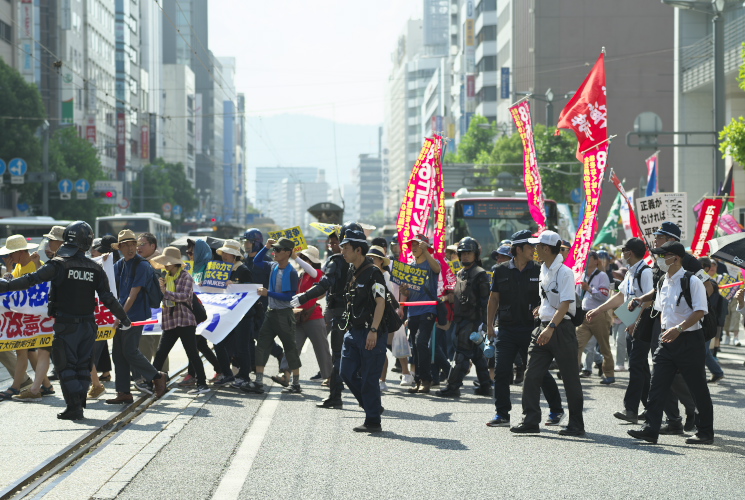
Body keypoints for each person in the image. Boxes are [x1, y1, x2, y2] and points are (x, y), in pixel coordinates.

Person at [0, 222, 133, 419]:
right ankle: (78, 406)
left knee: (66, 368)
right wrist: (124, 318)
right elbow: (108, 298)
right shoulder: (94, 268)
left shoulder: (58, 264)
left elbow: (31, 280)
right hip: (89, 326)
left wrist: (5, 286)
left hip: (65, 325)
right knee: (82, 367)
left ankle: (74, 408)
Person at [628, 241, 714, 445]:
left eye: (662, 255)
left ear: (675, 257)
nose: (658, 260)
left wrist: (679, 329)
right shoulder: (662, 282)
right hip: (666, 342)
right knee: (657, 385)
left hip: (689, 341)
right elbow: (660, 311)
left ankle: (705, 432)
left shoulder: (691, 281)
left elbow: (700, 311)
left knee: (698, 387)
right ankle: (651, 429)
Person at [485, 230, 565, 427]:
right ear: (518, 249)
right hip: (506, 329)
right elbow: (493, 299)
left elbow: (549, 297)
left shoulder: (540, 269)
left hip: (532, 330)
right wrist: (489, 326)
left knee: (538, 372)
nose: (534, 250)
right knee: (502, 371)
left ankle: (556, 410)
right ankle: (502, 414)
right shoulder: (500, 270)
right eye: (530, 247)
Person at [511, 231, 584, 436]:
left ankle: (576, 424)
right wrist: (541, 310)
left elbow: (566, 303)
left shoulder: (565, 272)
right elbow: (549, 299)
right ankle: (530, 420)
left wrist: (551, 327)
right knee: (531, 374)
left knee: (570, 379)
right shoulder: (544, 268)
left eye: (537, 246)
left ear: (546, 248)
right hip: (543, 326)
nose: (534, 250)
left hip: (561, 329)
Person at [586, 238, 653, 423]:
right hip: (631, 322)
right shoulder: (632, 271)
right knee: (642, 369)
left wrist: (635, 322)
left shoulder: (645, 272)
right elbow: (621, 297)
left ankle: (631, 410)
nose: (622, 254)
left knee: (636, 368)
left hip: (641, 324)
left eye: (623, 250)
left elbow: (648, 300)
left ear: (629, 252)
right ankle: (653, 410)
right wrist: (599, 310)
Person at [290, 224, 355, 408]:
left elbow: (325, 282)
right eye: (332, 243)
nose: (334, 246)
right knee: (338, 355)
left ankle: (365, 400)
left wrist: (305, 296)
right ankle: (336, 396)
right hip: (339, 312)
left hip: (347, 313)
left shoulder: (349, 262)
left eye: (339, 243)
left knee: (348, 356)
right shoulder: (342, 261)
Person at [106, 230, 167, 404]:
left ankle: (157, 375)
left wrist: (119, 316)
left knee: (130, 351)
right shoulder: (120, 264)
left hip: (135, 315)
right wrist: (103, 263)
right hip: (122, 313)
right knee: (118, 354)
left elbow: (133, 295)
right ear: (120, 248)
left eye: (133, 244)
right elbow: (108, 280)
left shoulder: (142, 265)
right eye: (126, 245)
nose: (131, 248)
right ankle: (124, 392)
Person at [338, 229, 388, 432]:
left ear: (358, 250)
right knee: (346, 372)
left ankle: (373, 420)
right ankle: (372, 405)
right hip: (353, 330)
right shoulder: (351, 270)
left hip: (371, 331)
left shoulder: (374, 272)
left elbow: (381, 302)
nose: (342, 252)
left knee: (369, 377)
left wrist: (374, 330)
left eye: (346, 248)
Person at [241, 237, 301, 394]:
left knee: (290, 348)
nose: (275, 252)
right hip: (271, 313)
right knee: (261, 345)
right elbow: (257, 261)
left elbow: (289, 297)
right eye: (275, 249)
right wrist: (266, 246)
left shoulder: (291, 272)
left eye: (278, 250)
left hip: (284, 314)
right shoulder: (273, 265)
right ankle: (259, 382)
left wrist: (269, 293)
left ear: (288, 253)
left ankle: (295, 383)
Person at [435, 237, 492, 398]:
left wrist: (485, 325)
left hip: (473, 321)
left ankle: (453, 386)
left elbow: (485, 301)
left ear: (476, 255)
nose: (465, 256)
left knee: (461, 354)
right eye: (463, 253)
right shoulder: (461, 273)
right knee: (476, 355)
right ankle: (486, 386)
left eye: (469, 253)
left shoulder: (480, 274)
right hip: (461, 320)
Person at [148, 247, 209, 395]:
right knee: (161, 353)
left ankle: (202, 383)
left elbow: (184, 296)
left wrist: (165, 292)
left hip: (185, 320)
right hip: (170, 320)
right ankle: (149, 382)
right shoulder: (167, 276)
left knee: (192, 353)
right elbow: (163, 298)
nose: (166, 265)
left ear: (175, 263)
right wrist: (162, 290)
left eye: (168, 262)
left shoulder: (185, 277)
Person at [276, 246, 333, 386]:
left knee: (321, 349)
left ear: (310, 261)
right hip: (298, 317)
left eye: (304, 258)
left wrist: (295, 257)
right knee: (291, 346)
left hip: (314, 317)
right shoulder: (300, 275)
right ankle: (285, 374)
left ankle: (330, 377)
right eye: (300, 257)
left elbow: (313, 273)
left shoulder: (318, 273)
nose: (300, 259)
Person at [0, 234, 47, 402]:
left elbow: (43, 286)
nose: (9, 257)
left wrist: (36, 264)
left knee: (23, 350)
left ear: (20, 252)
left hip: (33, 317)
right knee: (29, 352)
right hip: (23, 317)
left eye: (10, 254)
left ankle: (16, 386)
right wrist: (9, 270)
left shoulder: (36, 265)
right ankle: (46, 385)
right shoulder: (18, 267)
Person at [209, 239, 254, 387]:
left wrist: (236, 285)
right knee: (219, 343)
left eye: (228, 253)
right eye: (223, 253)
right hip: (226, 314)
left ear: (235, 255)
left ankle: (244, 376)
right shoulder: (221, 269)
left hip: (242, 315)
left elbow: (250, 290)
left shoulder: (244, 270)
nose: (224, 255)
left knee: (242, 347)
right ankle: (227, 374)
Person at [401, 234, 441, 394]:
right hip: (413, 311)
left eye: (418, 244)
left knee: (421, 342)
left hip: (428, 309)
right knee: (415, 347)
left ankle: (427, 379)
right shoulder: (410, 266)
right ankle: (418, 380)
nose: (414, 247)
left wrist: (428, 252)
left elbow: (437, 269)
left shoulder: (432, 263)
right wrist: (404, 290)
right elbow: (409, 292)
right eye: (412, 245)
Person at [180, 238, 220, 386]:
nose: (189, 255)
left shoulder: (210, 268)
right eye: (188, 252)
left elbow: (215, 289)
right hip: (191, 311)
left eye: (192, 252)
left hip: (204, 312)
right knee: (200, 345)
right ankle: (219, 369)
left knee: (193, 344)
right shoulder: (192, 268)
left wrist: (205, 284)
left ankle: (192, 375)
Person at [575, 251, 615, 384]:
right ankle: (573, 372)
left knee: (604, 346)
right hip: (584, 315)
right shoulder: (581, 275)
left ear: (596, 260)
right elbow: (578, 294)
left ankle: (609, 374)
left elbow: (604, 296)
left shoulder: (602, 275)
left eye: (588, 258)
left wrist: (590, 289)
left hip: (599, 315)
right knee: (577, 344)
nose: (585, 260)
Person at [136, 232, 166, 375]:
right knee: (147, 342)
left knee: (153, 343)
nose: (138, 247)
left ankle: (157, 375)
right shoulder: (141, 262)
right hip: (145, 309)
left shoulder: (159, 263)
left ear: (153, 246)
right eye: (137, 244)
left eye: (142, 244)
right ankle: (152, 374)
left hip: (156, 309)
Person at [698, 257, 725, 384]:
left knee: (703, 351)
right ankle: (717, 372)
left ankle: (715, 373)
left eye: (698, 266)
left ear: (706, 268)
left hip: (707, 322)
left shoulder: (711, 285)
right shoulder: (700, 282)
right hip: (701, 321)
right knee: (703, 351)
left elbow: (709, 305)